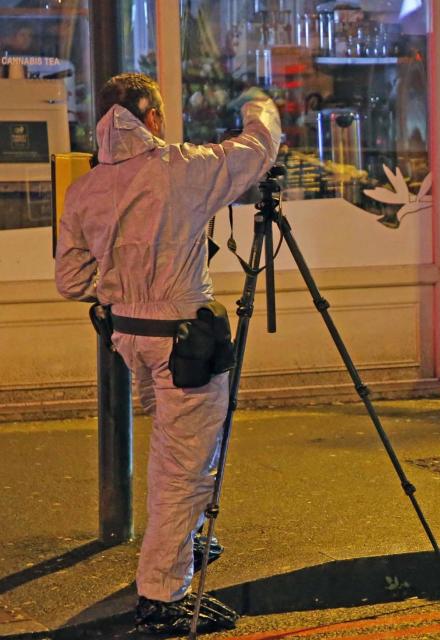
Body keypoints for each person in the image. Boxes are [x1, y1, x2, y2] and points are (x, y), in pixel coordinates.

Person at [55, 72, 281, 634]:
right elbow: (259, 147)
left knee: (171, 452)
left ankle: (180, 545)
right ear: (151, 117)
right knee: (182, 470)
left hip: (129, 337)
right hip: (184, 339)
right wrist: (259, 105)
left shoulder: (84, 189)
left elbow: (70, 278)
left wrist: (121, 285)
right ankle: (163, 596)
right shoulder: (183, 168)